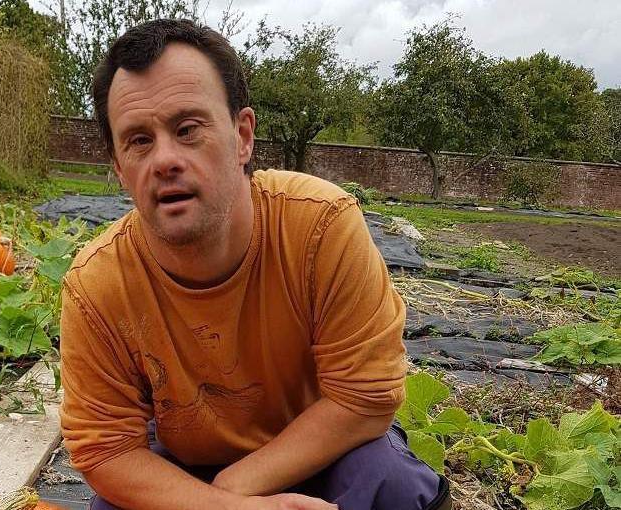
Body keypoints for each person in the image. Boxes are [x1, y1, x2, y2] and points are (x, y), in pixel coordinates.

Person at [58, 18, 451, 510]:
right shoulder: (96, 285)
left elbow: (365, 399)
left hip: (323, 446)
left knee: (391, 485)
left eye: (187, 129)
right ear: (119, 168)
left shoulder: (320, 228)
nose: (164, 160)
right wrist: (231, 507)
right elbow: (106, 450)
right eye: (138, 140)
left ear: (242, 136)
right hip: (190, 466)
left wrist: (235, 485)